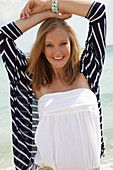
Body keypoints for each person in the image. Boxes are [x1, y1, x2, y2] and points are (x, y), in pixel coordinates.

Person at [0, 0, 107, 169]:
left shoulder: (88, 71)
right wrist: (46, 15)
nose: (57, 52)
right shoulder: (32, 80)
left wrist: (51, 4)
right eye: (49, 45)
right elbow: (2, 37)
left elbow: (98, 13)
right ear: (42, 48)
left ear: (72, 43)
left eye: (63, 43)